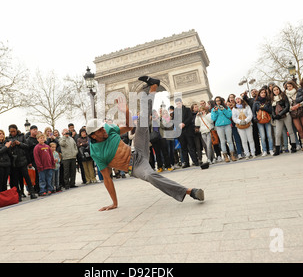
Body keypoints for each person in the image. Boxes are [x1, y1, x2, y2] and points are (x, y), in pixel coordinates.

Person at [88, 77, 205, 212]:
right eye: (100, 130)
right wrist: (114, 203)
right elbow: (107, 178)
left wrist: (125, 111)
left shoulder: (108, 129)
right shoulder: (95, 153)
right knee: (150, 176)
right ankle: (191, 192)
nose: (104, 130)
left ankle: (153, 87)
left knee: (143, 120)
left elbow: (128, 126)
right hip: (136, 167)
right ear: (93, 135)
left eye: (103, 127)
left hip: (137, 149)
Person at [6, 124, 37, 200]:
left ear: (16, 130)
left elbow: (27, 146)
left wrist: (19, 144)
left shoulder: (21, 136)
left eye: (14, 131)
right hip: (14, 162)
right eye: (11, 131)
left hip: (22, 160)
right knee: (15, 179)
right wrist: (11, 146)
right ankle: (18, 194)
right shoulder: (8, 138)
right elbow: (6, 149)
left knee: (26, 177)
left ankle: (32, 192)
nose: (12, 133)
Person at [285, 80, 303, 151]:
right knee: (299, 129)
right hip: (293, 113)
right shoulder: (286, 95)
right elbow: (286, 104)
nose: (289, 88)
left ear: (293, 85)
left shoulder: (298, 91)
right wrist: (291, 108)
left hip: (301, 110)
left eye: (290, 86)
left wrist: (299, 105)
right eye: (287, 87)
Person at [271, 84, 297, 155]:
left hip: (286, 115)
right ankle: (277, 150)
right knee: (278, 133)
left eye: (277, 89)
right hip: (278, 119)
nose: (276, 91)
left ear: (279, 89)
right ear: (272, 91)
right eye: (274, 90)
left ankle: (294, 147)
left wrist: (280, 114)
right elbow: (272, 109)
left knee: (290, 131)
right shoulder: (272, 99)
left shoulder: (283, 96)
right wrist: (274, 116)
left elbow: (287, 106)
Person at [174, 98, 199, 167]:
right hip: (180, 132)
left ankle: (195, 161)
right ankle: (186, 163)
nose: (178, 105)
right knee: (183, 148)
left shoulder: (187, 109)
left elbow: (190, 118)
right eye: (176, 104)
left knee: (191, 147)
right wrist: (178, 124)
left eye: (179, 103)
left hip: (188, 130)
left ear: (181, 102)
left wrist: (184, 123)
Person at [211, 96, 236, 162]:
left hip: (227, 125)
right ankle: (225, 156)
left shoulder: (226, 107)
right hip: (219, 126)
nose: (218, 102)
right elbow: (213, 119)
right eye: (216, 101)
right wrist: (216, 112)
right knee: (222, 141)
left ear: (221, 101)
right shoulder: (213, 109)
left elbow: (229, 116)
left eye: (219, 100)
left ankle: (232, 155)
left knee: (230, 140)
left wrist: (223, 110)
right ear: (215, 102)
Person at [252, 88, 274, 156]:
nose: (263, 94)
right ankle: (264, 150)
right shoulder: (256, 102)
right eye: (261, 92)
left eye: (264, 92)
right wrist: (255, 118)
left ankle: (271, 149)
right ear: (259, 94)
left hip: (267, 120)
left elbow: (271, 110)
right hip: (259, 121)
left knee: (269, 136)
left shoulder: (268, 101)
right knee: (263, 136)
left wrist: (264, 108)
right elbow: (253, 112)